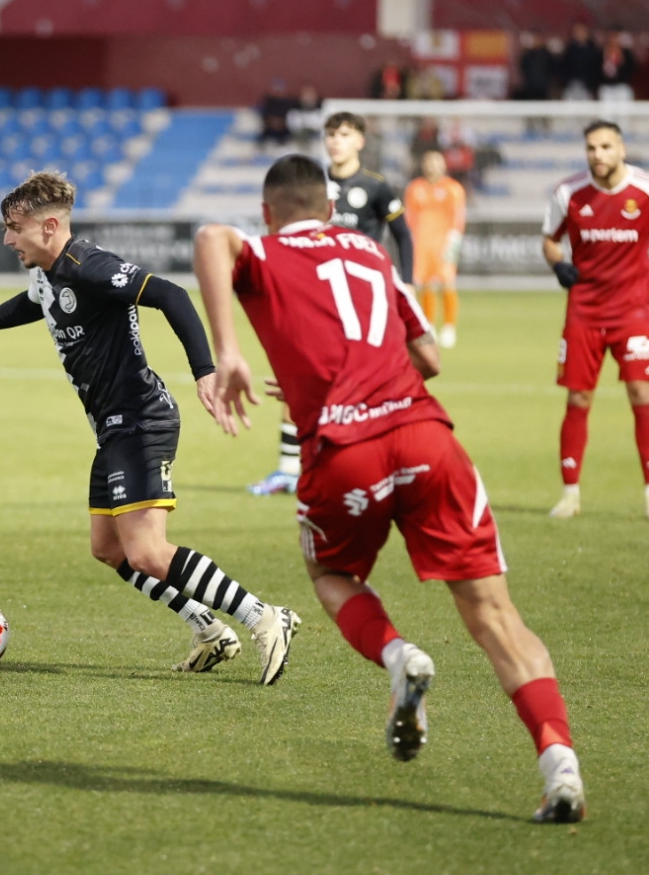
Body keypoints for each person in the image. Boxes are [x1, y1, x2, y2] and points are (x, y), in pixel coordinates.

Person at [193, 154, 587, 823]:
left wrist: (230, 350)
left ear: (269, 213)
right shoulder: (374, 255)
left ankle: (400, 656)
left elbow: (208, 238)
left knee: (330, 572)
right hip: (429, 440)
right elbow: (428, 358)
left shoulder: (262, 251)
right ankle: (561, 771)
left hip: (345, 452)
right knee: (497, 617)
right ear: (330, 209)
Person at [0, 171, 300, 684]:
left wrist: (206, 370)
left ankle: (263, 617)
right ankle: (208, 630)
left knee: (148, 551)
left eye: (14, 228)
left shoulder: (90, 266)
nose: (7, 239)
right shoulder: (48, 273)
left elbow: (174, 295)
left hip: (140, 419)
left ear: (49, 226)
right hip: (113, 428)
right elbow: (33, 303)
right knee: (109, 549)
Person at [249, 111, 413, 497]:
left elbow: (403, 235)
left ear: (360, 141)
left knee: (370, 382)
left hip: (361, 303)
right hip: (316, 298)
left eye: (343, 134)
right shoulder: (311, 183)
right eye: (330, 134)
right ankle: (290, 470)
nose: (335, 141)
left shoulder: (376, 187)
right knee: (295, 374)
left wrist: (407, 285)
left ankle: (378, 461)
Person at [543, 120, 649, 523]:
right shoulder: (567, 193)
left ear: (621, 149)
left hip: (633, 312)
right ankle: (570, 494)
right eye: (591, 148)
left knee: (642, 396)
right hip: (584, 312)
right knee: (577, 399)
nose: (598, 155)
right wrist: (558, 266)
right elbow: (549, 241)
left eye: (606, 147)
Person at [404, 149, 466, 348]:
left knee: (447, 282)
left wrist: (453, 239)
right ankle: (428, 324)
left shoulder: (453, 188)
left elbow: (458, 216)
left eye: (436, 162)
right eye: (429, 162)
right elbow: (409, 217)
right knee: (425, 283)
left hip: (444, 242)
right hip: (422, 243)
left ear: (444, 165)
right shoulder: (415, 188)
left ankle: (449, 327)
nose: (432, 166)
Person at [557, 23, 602, 101]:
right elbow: (563, 67)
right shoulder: (569, 50)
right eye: (577, 31)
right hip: (571, 85)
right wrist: (564, 82)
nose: (580, 34)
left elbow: (596, 68)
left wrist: (592, 84)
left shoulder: (593, 50)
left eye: (582, 31)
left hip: (587, 86)